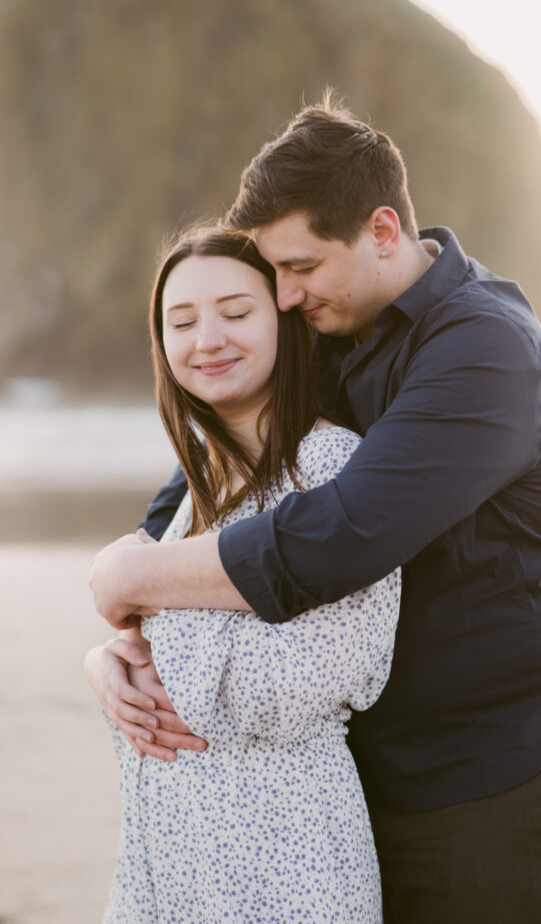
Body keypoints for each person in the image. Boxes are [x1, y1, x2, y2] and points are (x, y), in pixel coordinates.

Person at [89, 96, 541, 923]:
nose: (288, 296)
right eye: (275, 276)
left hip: (500, 772)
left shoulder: (482, 346)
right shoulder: (332, 328)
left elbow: (342, 535)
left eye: (301, 267)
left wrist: (133, 576)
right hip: (366, 772)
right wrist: (120, 634)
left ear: (381, 231)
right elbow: (219, 480)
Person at [85, 224, 401, 923]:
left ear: (286, 325)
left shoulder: (331, 471)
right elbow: (166, 662)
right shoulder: (193, 495)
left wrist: (145, 626)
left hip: (288, 868)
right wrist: (107, 659)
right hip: (164, 866)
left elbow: (281, 691)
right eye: (182, 321)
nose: (208, 340)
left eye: (235, 312)